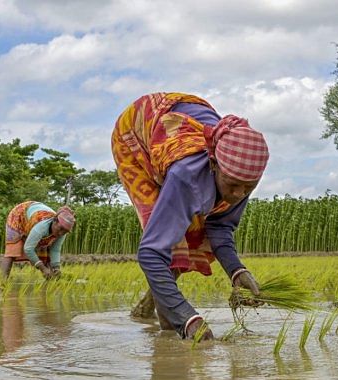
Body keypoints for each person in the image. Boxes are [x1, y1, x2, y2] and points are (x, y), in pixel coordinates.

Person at [111, 92, 269, 340]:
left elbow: (219, 226)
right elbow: (151, 252)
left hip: (184, 116)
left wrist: (237, 271)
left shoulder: (241, 173)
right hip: (136, 132)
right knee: (172, 238)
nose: (239, 194)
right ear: (214, 164)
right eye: (233, 185)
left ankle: (148, 308)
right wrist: (189, 320)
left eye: (248, 188)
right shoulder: (187, 174)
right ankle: (171, 323)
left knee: (192, 232)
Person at [0, 201, 75, 279]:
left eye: (65, 231)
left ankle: (50, 283)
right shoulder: (41, 227)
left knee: (47, 255)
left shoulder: (63, 231)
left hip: (34, 216)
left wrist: (56, 268)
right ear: (55, 221)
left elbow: (55, 250)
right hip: (20, 214)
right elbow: (28, 249)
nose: (61, 233)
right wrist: (42, 268)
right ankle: (2, 282)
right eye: (60, 229)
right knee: (12, 250)